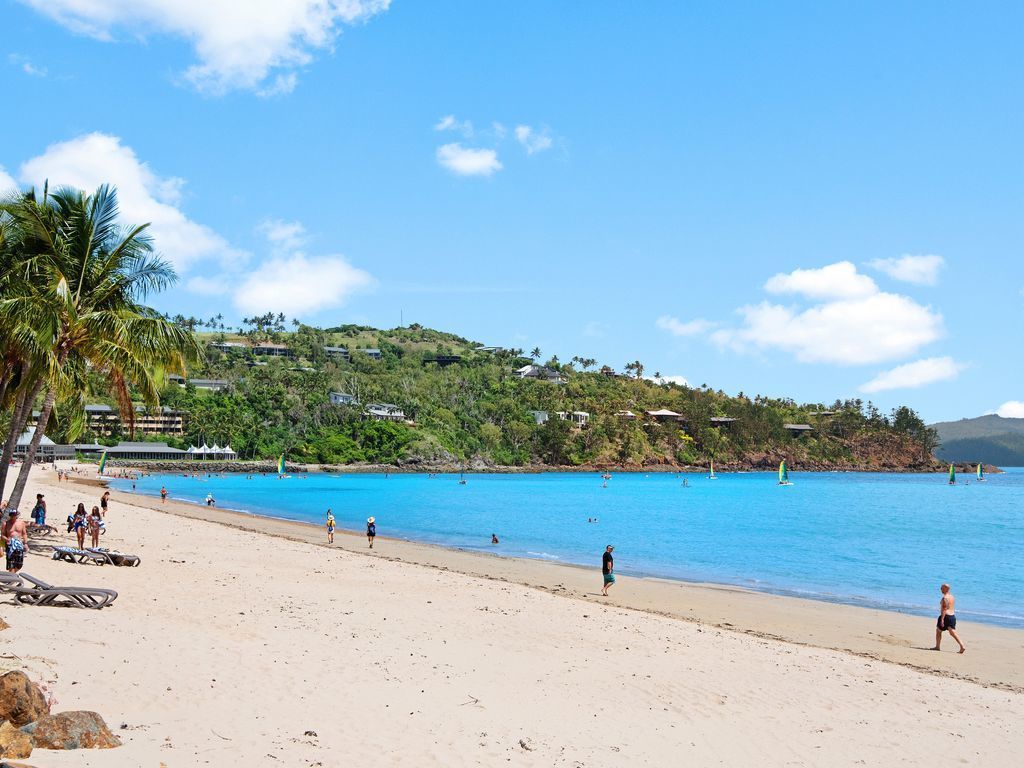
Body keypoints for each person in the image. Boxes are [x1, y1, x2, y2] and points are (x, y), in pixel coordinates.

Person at [933, 583, 966, 654]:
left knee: (938, 630)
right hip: (952, 616)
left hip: (946, 616)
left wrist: (942, 619)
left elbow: (944, 609)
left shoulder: (945, 598)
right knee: (952, 632)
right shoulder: (952, 597)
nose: (940, 589)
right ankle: (962, 645)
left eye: (942, 588)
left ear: (946, 589)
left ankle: (937, 647)